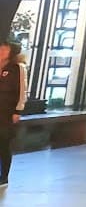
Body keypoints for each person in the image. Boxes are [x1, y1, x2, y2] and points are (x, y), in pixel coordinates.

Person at [0, 42, 24, 187]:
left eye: (5, 49)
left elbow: (22, 90)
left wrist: (17, 111)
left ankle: (4, 175)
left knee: (3, 143)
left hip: (6, 112)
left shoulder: (17, 68)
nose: (2, 52)